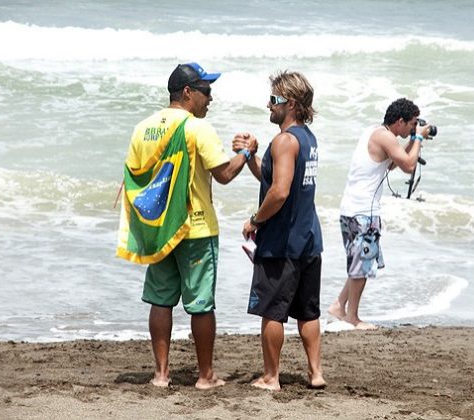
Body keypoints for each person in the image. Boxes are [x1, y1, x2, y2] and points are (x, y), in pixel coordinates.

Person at [117, 62, 257, 390]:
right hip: (196, 228)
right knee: (201, 304)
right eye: (206, 92)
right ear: (187, 93)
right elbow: (223, 175)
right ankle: (206, 376)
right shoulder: (197, 128)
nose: (211, 98)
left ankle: (161, 375)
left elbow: (135, 179)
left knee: (161, 300)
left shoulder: (143, 128)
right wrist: (247, 153)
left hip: (161, 229)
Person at [236, 71, 326, 391]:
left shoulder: (285, 140)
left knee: (273, 311)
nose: (268, 105)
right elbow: (275, 179)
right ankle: (316, 373)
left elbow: (279, 192)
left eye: (273, 99)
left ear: (289, 103)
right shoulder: (307, 138)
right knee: (307, 311)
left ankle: (271, 377)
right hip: (309, 240)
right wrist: (251, 158)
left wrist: (255, 221)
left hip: (283, 243)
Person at [328, 98, 433, 330]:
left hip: (352, 209)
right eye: (412, 124)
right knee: (362, 265)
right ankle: (353, 317)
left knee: (359, 262)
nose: (413, 128)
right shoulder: (385, 137)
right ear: (400, 121)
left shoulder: (375, 132)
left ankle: (339, 305)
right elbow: (408, 165)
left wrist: (412, 143)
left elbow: (391, 164)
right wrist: (417, 139)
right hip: (363, 212)